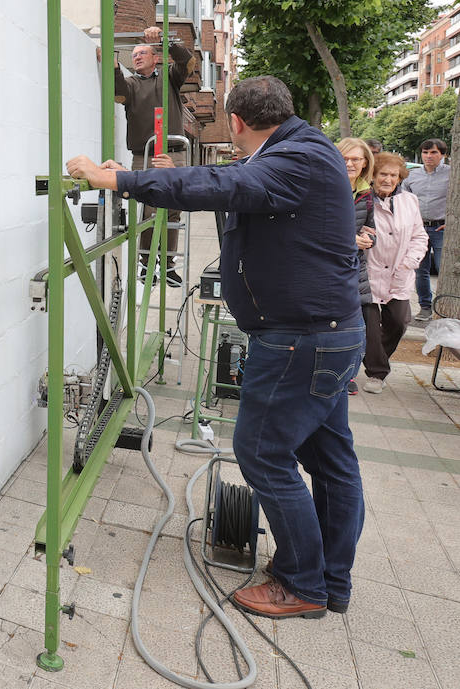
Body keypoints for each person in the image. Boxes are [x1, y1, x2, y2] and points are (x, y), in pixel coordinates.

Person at [66, 75, 364, 620]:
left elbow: (225, 188)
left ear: (237, 123)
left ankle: (303, 584)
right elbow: (228, 178)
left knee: (263, 454)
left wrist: (119, 181)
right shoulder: (301, 150)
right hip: (324, 336)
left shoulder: (296, 159)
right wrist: (150, 178)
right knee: (329, 459)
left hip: (302, 341)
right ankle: (329, 581)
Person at [114, 25, 195, 286]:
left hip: (173, 154)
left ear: (155, 57)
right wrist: (114, 66)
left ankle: (168, 266)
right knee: (149, 211)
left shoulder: (169, 77)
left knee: (172, 211)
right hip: (145, 155)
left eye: (142, 53)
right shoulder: (131, 84)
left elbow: (186, 61)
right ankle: (146, 263)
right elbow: (118, 94)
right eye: (134, 54)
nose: (136, 57)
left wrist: (167, 40)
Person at [363, 153, 428, 392]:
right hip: (368, 273)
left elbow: (419, 236)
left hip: (400, 273)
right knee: (369, 326)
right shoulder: (363, 200)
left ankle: (373, 357)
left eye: (393, 175)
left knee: (400, 322)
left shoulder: (410, 200)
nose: (388, 179)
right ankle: (377, 373)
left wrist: (410, 262)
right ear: (373, 176)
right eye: (383, 174)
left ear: (399, 177)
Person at [336, 138, 376, 395]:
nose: (350, 163)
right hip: (326, 268)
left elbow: (372, 229)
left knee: (357, 327)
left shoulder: (367, 193)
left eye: (356, 159)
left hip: (355, 269)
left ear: (365, 163)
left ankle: (348, 375)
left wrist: (370, 239)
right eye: (345, 158)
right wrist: (350, 241)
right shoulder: (325, 186)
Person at [403, 138, 448, 321]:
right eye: (425, 152)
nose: (428, 156)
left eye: (434, 152)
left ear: (443, 155)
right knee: (420, 270)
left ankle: (445, 309)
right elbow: (403, 201)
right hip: (418, 228)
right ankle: (425, 307)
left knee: (444, 269)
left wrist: (453, 222)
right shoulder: (411, 175)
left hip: (442, 228)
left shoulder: (452, 174)